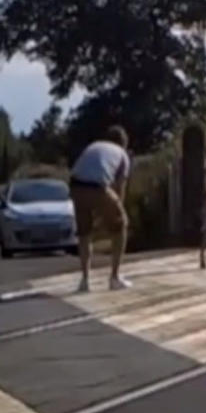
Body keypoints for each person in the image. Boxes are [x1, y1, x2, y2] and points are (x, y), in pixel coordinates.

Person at [69, 125, 133, 292]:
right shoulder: (122, 155)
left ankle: (85, 280)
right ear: (124, 143)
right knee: (121, 224)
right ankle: (115, 277)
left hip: (75, 185)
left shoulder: (95, 145)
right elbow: (120, 189)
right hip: (97, 186)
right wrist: (116, 214)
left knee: (85, 233)